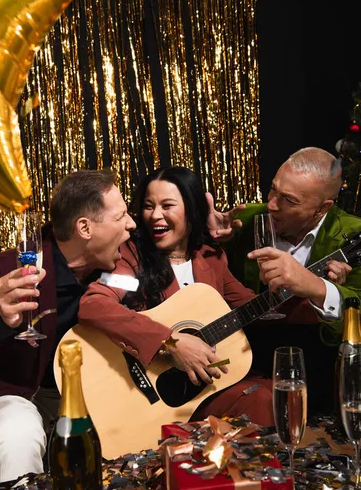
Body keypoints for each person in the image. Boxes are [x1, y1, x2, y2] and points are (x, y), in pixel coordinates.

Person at [0, 169, 136, 482]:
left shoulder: (119, 264)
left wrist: (208, 228)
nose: (131, 224)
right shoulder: (10, 269)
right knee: (18, 434)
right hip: (16, 393)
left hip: (94, 393)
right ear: (85, 227)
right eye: (121, 215)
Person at [79, 166, 275, 426]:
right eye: (149, 206)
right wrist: (169, 342)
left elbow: (255, 307)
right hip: (154, 399)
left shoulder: (212, 258)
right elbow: (94, 304)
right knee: (260, 399)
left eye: (167, 205)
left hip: (202, 389)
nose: (155, 215)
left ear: (191, 210)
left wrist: (307, 286)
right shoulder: (130, 259)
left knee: (273, 391)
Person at [207, 147, 361, 415]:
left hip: (318, 377)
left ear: (322, 207)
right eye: (273, 189)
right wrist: (207, 236)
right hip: (241, 367)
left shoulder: (353, 234)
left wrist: (318, 287)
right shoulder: (245, 220)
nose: (272, 204)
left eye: (289, 200)